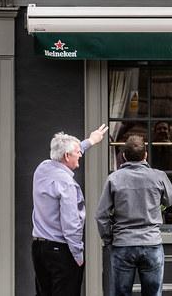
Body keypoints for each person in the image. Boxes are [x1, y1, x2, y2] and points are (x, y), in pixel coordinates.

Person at [32, 124, 109, 296]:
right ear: (67, 156)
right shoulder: (67, 184)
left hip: (39, 248)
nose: (80, 154)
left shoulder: (42, 168)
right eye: (77, 152)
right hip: (61, 251)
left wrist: (90, 141)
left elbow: (67, 151)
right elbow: (71, 223)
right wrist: (78, 255)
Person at [96, 134, 172, 296]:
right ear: (145, 155)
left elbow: (101, 215)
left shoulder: (114, 179)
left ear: (124, 156)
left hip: (123, 244)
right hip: (151, 242)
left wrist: (108, 238)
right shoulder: (158, 176)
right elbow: (171, 199)